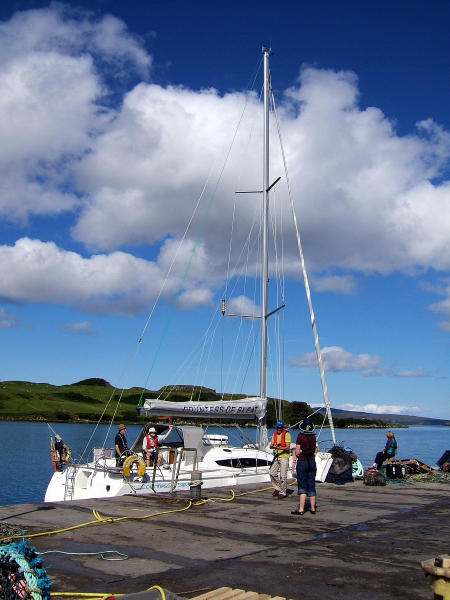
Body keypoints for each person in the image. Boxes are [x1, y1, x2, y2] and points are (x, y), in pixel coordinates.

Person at [291, 417, 318, 515]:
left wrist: (299, 453)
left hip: (302, 462)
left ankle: (301, 509)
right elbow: (315, 451)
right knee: (311, 484)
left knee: (302, 485)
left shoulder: (300, 436)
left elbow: (297, 452)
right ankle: (312, 508)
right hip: (312, 462)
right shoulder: (313, 437)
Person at [269, 420, 292, 500]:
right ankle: (278, 488)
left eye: (280, 428)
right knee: (272, 472)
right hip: (276, 456)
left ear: (282, 428)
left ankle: (283, 492)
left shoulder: (287, 434)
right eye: (278, 427)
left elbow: (288, 447)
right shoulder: (274, 434)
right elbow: (271, 445)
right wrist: (273, 446)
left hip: (284, 457)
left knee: (283, 476)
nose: (279, 429)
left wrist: (278, 447)